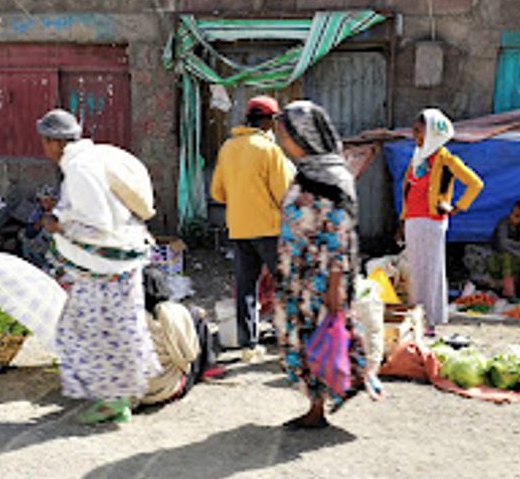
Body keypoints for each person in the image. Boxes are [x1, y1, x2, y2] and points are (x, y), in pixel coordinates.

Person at [36, 108, 160, 425]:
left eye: (45, 142)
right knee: (117, 330)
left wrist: (59, 226)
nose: (44, 148)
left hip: (105, 269)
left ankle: (112, 401)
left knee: (85, 331)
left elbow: (99, 223)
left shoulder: (79, 170)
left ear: (55, 142)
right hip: (119, 263)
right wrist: (60, 215)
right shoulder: (90, 159)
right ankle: (120, 398)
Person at [273, 100, 371, 429]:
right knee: (304, 338)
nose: (282, 141)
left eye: (285, 134)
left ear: (305, 136)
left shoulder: (333, 178)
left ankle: (320, 407)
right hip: (296, 273)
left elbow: (340, 236)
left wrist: (334, 285)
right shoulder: (305, 172)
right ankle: (316, 404)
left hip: (322, 277)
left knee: (321, 336)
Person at [210, 95, 293, 360]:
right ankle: (289, 339)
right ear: (270, 121)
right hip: (269, 229)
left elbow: (217, 192)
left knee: (246, 288)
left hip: (239, 228)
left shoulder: (228, 148)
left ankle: (249, 345)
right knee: (285, 284)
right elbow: (284, 194)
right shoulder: (269, 150)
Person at [401, 108, 483, 334]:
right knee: (416, 271)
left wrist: (457, 207)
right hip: (413, 220)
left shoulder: (446, 160)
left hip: (432, 221)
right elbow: (408, 190)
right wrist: (403, 218)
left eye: (418, 131)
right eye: (414, 131)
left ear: (431, 133)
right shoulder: (417, 158)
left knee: (431, 270)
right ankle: (417, 317)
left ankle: (432, 319)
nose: (415, 136)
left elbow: (475, 183)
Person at [140, 267, 220, 406]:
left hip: (139, 392)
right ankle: (207, 367)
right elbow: (190, 355)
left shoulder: (129, 317)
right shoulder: (174, 312)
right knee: (197, 317)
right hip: (171, 388)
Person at [19, 185, 59, 272]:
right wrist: (40, 223)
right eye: (43, 201)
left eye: (49, 200)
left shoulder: (60, 211)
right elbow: (29, 232)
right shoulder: (38, 213)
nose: (46, 203)